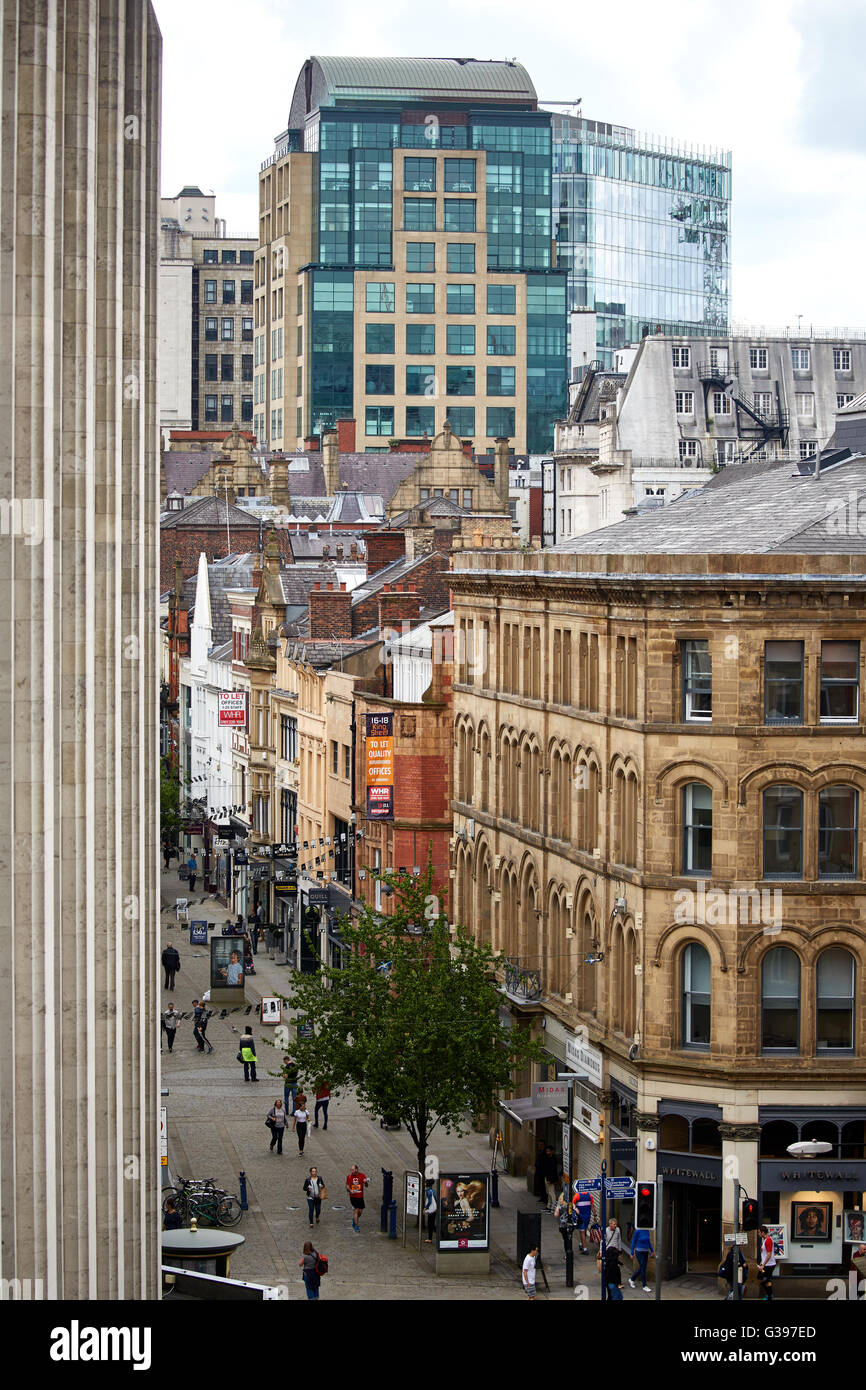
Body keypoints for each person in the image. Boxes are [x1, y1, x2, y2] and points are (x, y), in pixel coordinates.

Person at [629, 1225, 654, 1292]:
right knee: (643, 1267)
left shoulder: (647, 1231)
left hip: (646, 1252)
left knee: (643, 1268)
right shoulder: (637, 1231)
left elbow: (648, 1242)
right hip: (639, 1252)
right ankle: (644, 1285)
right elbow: (633, 1242)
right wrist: (631, 1253)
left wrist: (652, 1251)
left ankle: (632, 1279)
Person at [346, 1164, 368, 1232]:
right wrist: (350, 1190)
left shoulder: (362, 1175)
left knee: (360, 1212)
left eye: (353, 1170)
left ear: (356, 1169)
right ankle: (356, 1225)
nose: (351, 1171)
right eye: (351, 1170)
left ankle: (355, 1219)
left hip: (360, 1197)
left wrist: (366, 1182)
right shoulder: (349, 1177)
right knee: (356, 1210)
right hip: (353, 1197)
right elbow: (347, 1185)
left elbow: (366, 1185)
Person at [757, 1224, 776, 1300]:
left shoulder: (768, 1240)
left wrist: (763, 1265)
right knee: (763, 1278)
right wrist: (761, 1263)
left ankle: (769, 1295)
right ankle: (769, 1295)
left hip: (769, 1265)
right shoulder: (764, 1240)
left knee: (764, 1279)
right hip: (766, 1264)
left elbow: (769, 1254)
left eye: (759, 1232)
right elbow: (764, 1254)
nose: (758, 1234)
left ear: (763, 1232)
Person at [573, 1189, 593, 1254]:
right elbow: (592, 1206)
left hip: (580, 1217)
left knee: (582, 1232)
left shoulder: (577, 1195)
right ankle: (582, 1245)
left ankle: (585, 1249)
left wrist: (575, 1209)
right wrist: (595, 1215)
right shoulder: (590, 1196)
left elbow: (572, 1204)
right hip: (587, 1217)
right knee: (584, 1231)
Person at [541, 1145, 559, 1213]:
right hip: (547, 1177)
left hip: (550, 1178)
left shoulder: (552, 1159)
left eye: (548, 1151)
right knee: (548, 1192)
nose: (547, 1152)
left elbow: (552, 1171)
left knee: (551, 1193)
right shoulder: (548, 1158)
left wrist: (550, 1179)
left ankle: (554, 1207)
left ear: (552, 1151)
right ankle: (549, 1206)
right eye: (547, 1151)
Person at [424, 1178, 437, 1243]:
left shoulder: (428, 1191)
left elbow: (430, 1201)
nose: (424, 1184)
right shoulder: (433, 1190)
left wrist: (426, 1207)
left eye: (425, 1182)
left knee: (430, 1224)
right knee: (432, 1223)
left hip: (431, 1209)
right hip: (435, 1209)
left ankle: (430, 1238)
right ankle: (440, 1234)